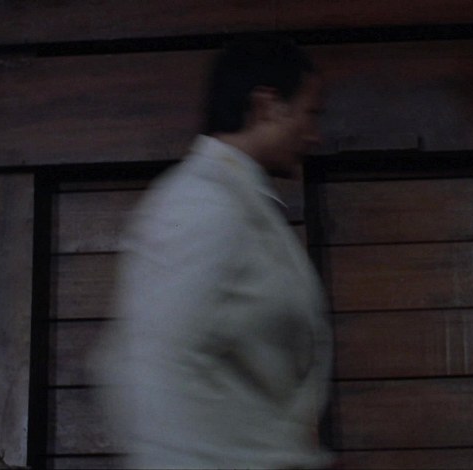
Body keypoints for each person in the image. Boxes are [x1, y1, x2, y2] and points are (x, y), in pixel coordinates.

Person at [92, 35, 333, 469]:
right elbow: (155, 367)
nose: (315, 135)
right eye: (309, 113)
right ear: (267, 106)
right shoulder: (201, 202)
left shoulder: (236, 200)